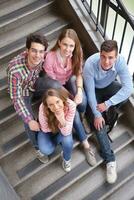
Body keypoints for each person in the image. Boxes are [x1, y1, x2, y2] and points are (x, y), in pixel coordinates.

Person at [41, 28, 96, 166]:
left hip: (69, 83)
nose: (68, 49)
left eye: (71, 45)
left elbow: (78, 75)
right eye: (65, 44)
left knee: (82, 99)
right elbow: (55, 86)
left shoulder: (77, 53)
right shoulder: (50, 58)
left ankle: (82, 117)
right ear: (59, 42)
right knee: (73, 111)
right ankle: (86, 145)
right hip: (56, 88)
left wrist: (78, 91)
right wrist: (70, 102)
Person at [83, 40, 133, 184]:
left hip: (109, 88)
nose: (106, 61)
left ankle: (109, 114)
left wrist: (108, 104)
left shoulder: (121, 62)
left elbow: (128, 88)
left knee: (124, 93)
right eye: (103, 56)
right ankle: (110, 160)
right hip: (93, 92)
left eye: (110, 57)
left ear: (116, 57)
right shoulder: (90, 65)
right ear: (100, 54)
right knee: (98, 124)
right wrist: (97, 114)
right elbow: (91, 93)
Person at [7, 33, 51, 163]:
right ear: (27, 51)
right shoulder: (14, 70)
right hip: (22, 92)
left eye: (41, 51)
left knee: (54, 85)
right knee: (29, 120)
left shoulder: (43, 57)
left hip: (34, 84)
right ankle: (38, 148)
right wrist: (29, 119)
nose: (37, 55)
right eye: (34, 51)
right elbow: (16, 98)